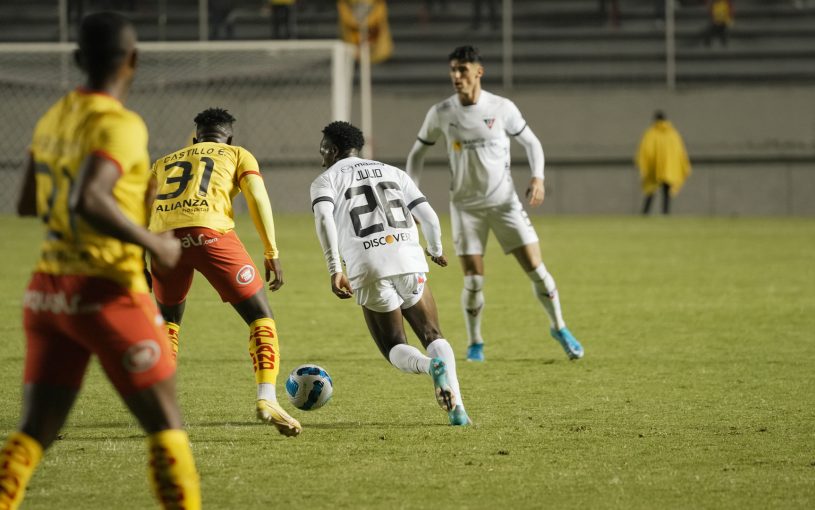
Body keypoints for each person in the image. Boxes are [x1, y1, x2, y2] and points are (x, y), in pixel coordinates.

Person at [0, 12, 201, 510]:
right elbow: (88, 199)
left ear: (76, 60)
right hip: (106, 291)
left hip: (47, 294)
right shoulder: (120, 123)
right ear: (132, 60)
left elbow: (28, 202)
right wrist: (157, 245)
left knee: (33, 434)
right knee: (167, 428)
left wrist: (124, 199)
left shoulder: (53, 116)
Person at [405, 45, 584, 363]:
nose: (456, 76)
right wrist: (411, 197)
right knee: (473, 280)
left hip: (505, 204)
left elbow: (532, 142)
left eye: (462, 69)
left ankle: (560, 327)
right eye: (452, 70)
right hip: (465, 208)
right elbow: (417, 153)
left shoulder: (501, 108)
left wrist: (538, 178)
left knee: (538, 271)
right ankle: (476, 343)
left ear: (478, 71)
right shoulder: (441, 113)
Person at [148, 108, 301, 437]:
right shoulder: (237, 154)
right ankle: (267, 399)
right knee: (260, 315)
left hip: (161, 241)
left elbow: (138, 207)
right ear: (229, 136)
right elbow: (257, 197)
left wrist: (136, 258)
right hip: (209, 234)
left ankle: (160, 410)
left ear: (195, 137)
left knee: (169, 322)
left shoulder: (163, 162)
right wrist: (271, 252)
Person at [310, 121, 470, 426]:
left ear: (333, 150)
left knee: (394, 343)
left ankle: (427, 367)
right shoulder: (394, 172)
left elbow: (324, 219)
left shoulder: (325, 180)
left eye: (323, 151)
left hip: (369, 264)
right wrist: (434, 250)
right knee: (433, 333)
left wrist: (335, 269)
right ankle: (457, 409)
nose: (322, 159)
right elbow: (430, 218)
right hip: (410, 258)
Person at [635, 110, 692, 215]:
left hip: (653, 169)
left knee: (650, 192)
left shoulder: (651, 133)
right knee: (666, 194)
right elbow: (679, 152)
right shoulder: (673, 134)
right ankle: (665, 214)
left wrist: (645, 165)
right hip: (669, 169)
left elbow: (645, 151)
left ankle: (645, 214)